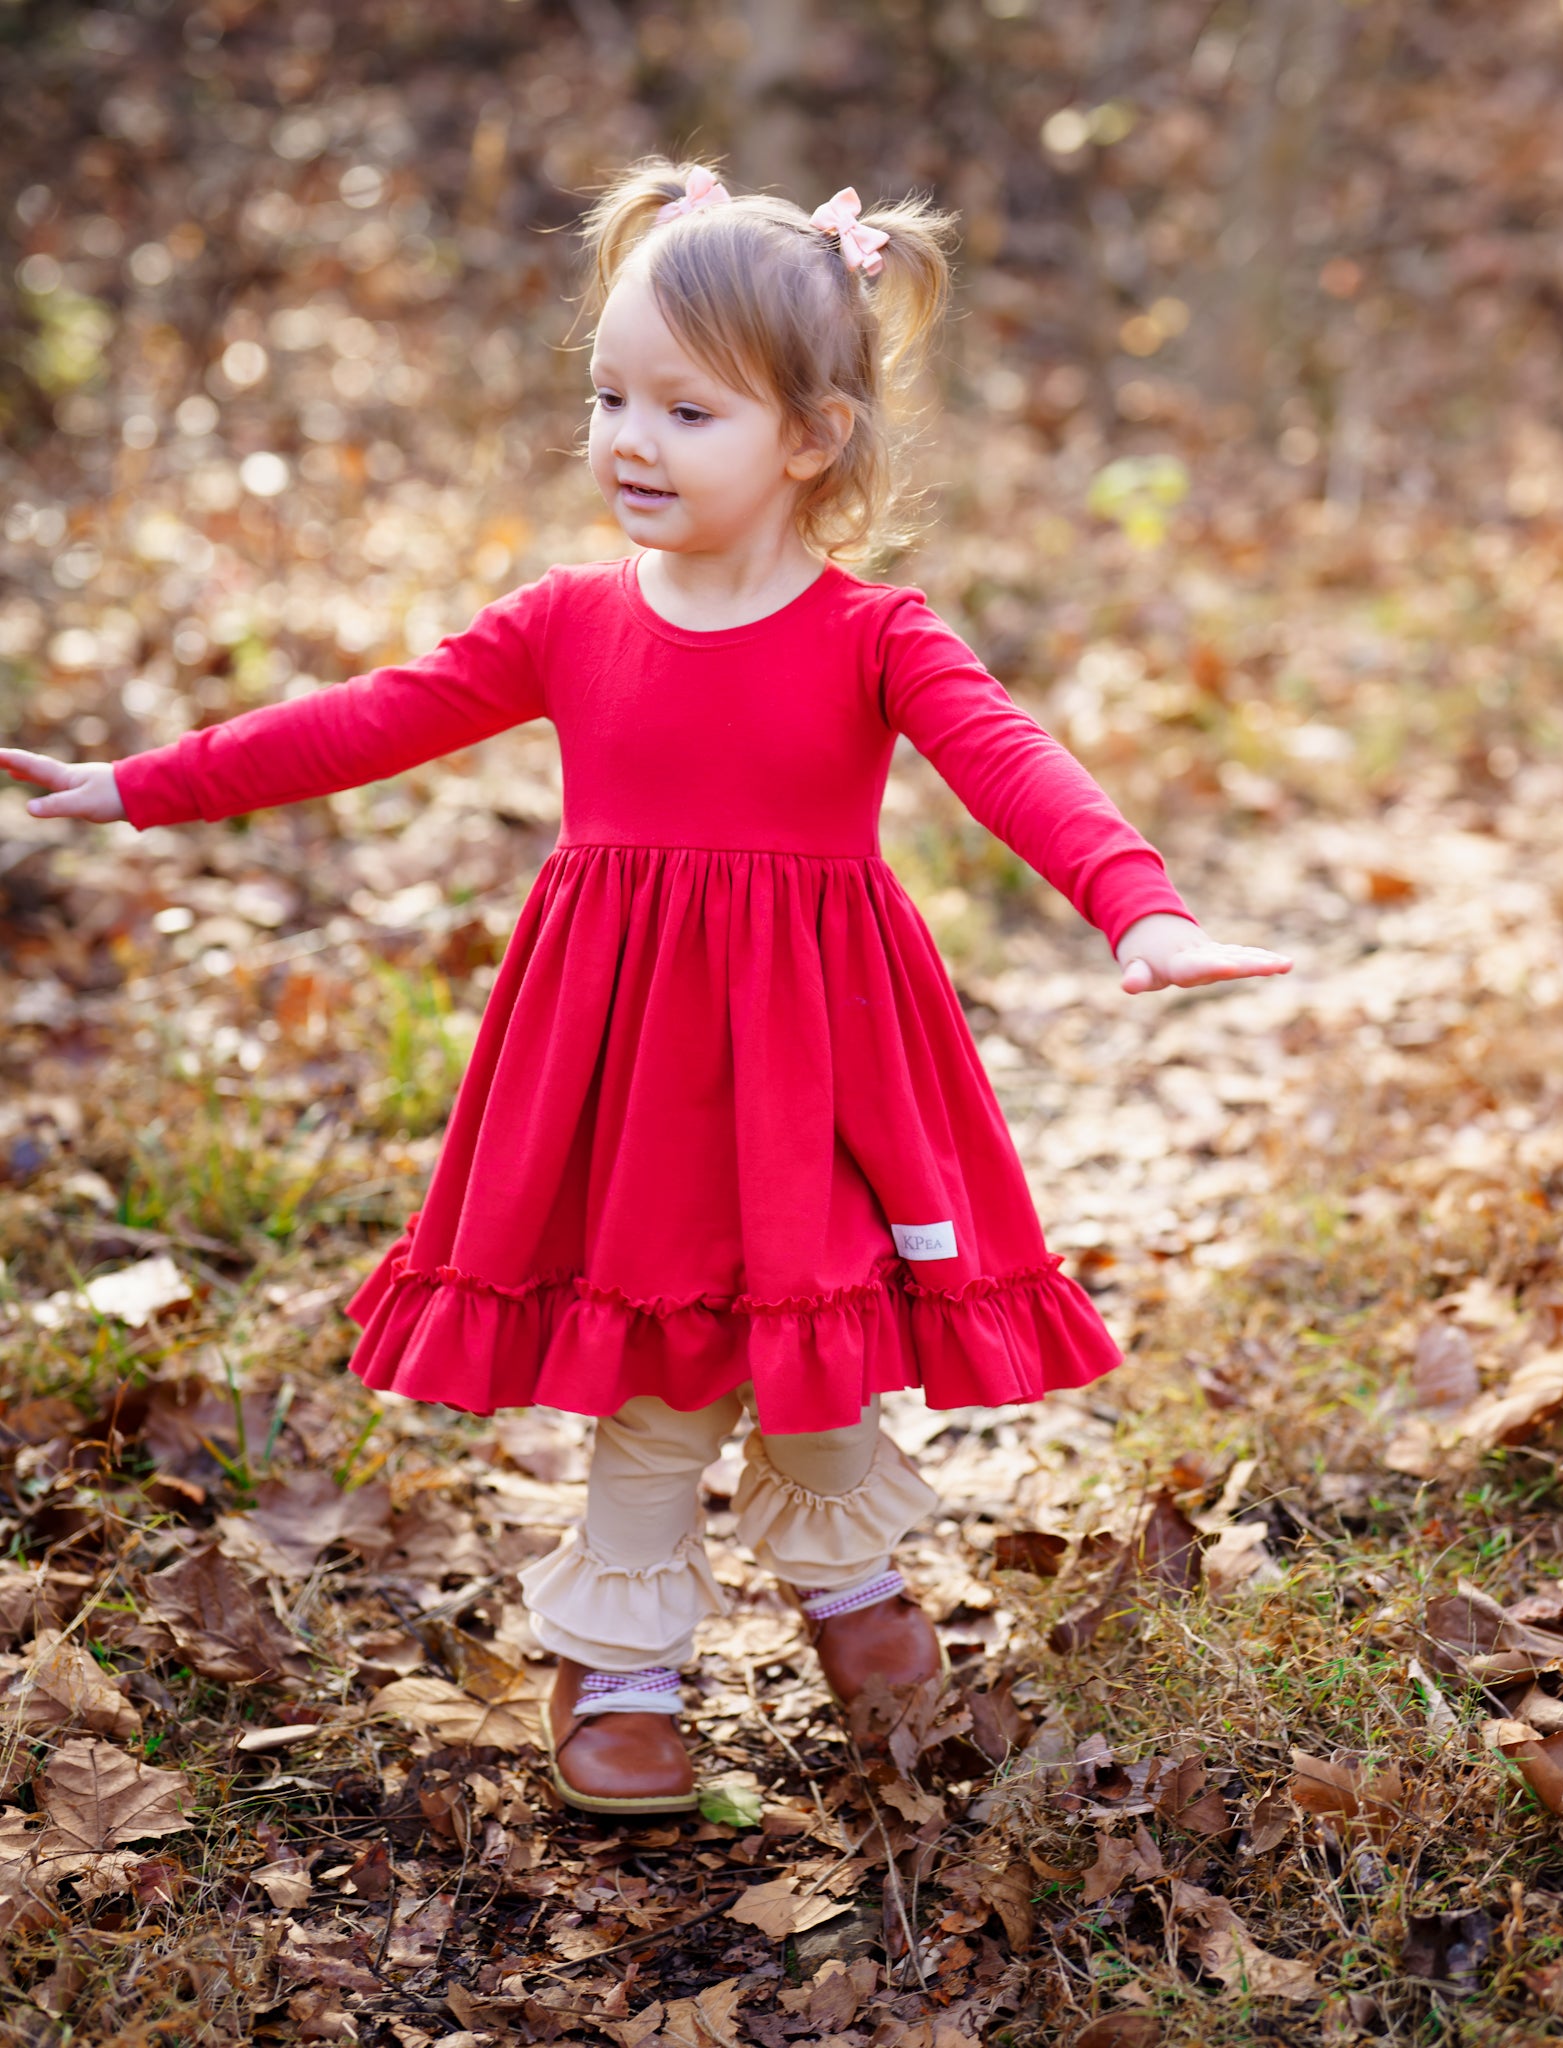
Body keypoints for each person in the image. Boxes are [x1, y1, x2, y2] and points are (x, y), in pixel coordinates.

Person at [0, 157, 1290, 1817]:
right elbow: (364, 718)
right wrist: (143, 780)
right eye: (612, 396)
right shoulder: (565, 625)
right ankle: (617, 1660)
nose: (628, 439)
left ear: (811, 438)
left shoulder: (877, 636)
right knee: (665, 1367)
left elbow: (1018, 766)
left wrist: (1140, 909)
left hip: (819, 1056)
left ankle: (845, 1579)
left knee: (817, 1320)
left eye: (688, 412)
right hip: (622, 1063)